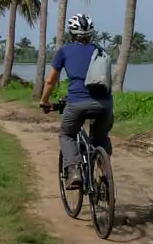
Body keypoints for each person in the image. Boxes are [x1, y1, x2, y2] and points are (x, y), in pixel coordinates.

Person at [38, 13, 113, 190]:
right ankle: (105, 176)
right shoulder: (101, 51)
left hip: (78, 102)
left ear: (71, 34)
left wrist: (44, 101)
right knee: (101, 138)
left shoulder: (64, 51)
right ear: (91, 33)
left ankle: (74, 172)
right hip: (105, 104)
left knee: (67, 134)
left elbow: (50, 81)